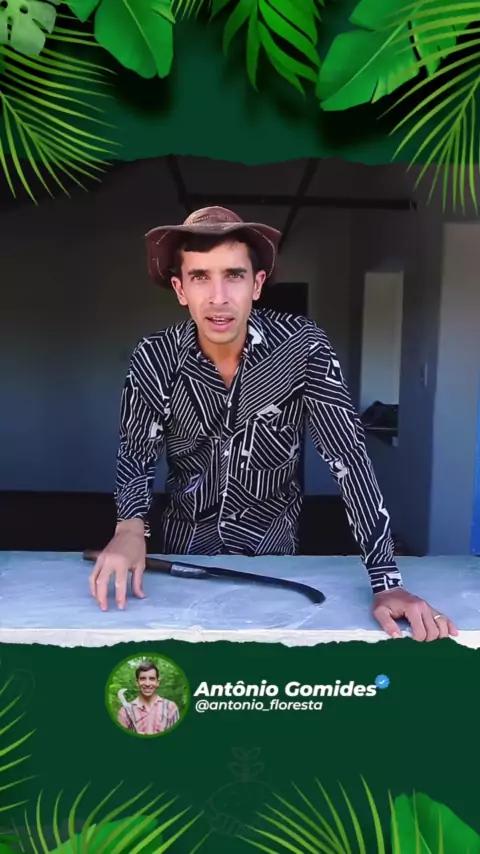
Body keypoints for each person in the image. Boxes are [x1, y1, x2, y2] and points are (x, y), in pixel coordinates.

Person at [90, 206, 457, 642]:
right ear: (180, 288)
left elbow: (348, 458)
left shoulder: (302, 347)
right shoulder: (155, 356)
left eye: (234, 275)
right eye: (200, 277)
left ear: (257, 284)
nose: (219, 297)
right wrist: (130, 528)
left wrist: (387, 582)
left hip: (274, 556)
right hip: (183, 554)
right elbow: (136, 452)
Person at [117, 660, 180, 735]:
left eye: (152, 679)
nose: (147, 684)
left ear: (157, 682)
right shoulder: (125, 711)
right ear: (137, 682)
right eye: (143, 679)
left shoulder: (170, 707)